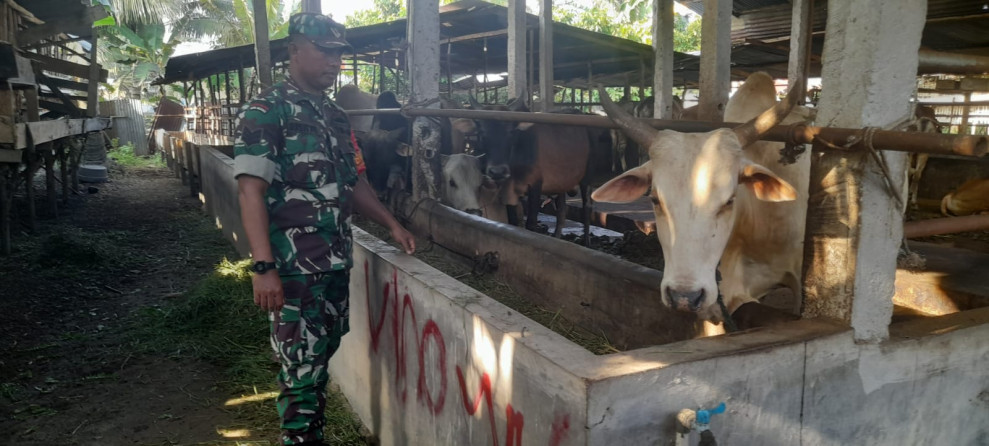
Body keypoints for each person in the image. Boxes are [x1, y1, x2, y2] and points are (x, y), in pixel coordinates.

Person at [232, 13, 415, 446]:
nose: (334, 62)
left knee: (320, 356)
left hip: (333, 262)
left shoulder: (334, 115)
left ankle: (313, 436)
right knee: (299, 367)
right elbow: (250, 192)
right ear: (294, 51)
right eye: (325, 51)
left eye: (339, 53)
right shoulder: (268, 109)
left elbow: (352, 182)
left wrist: (391, 223)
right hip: (294, 270)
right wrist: (262, 267)